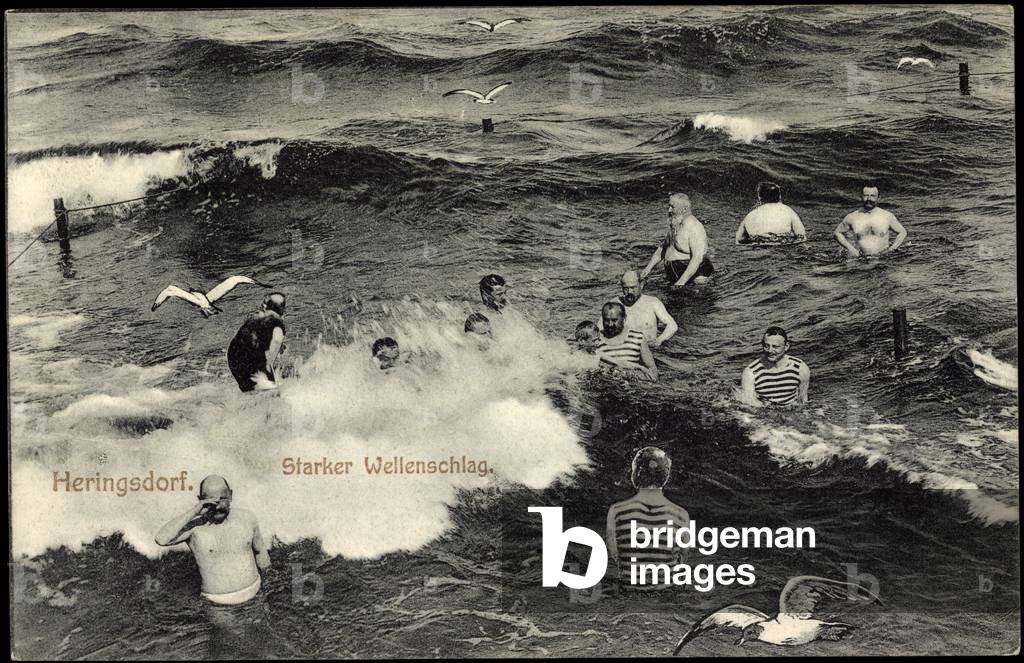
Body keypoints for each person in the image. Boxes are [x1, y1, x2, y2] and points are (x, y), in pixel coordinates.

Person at [154, 475, 270, 605]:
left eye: (222, 499)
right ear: (200, 501)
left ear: (231, 495)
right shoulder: (194, 528)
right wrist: (195, 511)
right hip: (218, 605)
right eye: (211, 501)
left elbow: (260, 551)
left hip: (255, 595)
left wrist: (269, 585)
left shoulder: (247, 518)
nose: (218, 507)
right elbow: (161, 539)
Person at [605, 447, 689, 590]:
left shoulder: (616, 511)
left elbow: (616, 556)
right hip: (666, 593)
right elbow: (682, 559)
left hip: (629, 592)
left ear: (635, 475)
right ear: (666, 476)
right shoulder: (681, 515)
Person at [640, 193, 714, 288]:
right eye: (669, 206)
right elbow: (664, 247)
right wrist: (648, 268)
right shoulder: (676, 224)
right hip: (677, 276)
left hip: (696, 276)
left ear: (684, 209)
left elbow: (697, 259)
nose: (669, 210)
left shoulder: (694, 227)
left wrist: (680, 282)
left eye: (672, 207)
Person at [227, 293, 286, 392]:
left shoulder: (254, 317)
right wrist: (268, 369)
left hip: (233, 357)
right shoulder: (278, 322)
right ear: (282, 310)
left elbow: (246, 338)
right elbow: (275, 341)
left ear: (265, 306)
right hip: (252, 358)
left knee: (249, 387)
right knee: (271, 390)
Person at [739, 326, 810, 408]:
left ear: (786, 346)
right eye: (766, 346)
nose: (770, 350)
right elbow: (749, 407)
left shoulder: (800, 368)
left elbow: (803, 403)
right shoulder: (751, 372)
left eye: (775, 346)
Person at [833, 186, 908, 258]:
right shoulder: (852, 217)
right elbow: (837, 233)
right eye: (866, 195)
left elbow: (902, 232)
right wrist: (851, 248)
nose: (869, 199)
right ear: (861, 197)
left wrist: (892, 249)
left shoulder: (887, 216)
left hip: (884, 259)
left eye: (872, 196)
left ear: (878, 198)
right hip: (861, 260)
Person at [596, 302, 658, 381]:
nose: (610, 324)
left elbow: (653, 374)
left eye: (614, 320)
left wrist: (624, 374)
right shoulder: (595, 340)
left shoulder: (638, 338)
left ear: (624, 318)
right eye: (606, 320)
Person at [617, 270, 678, 348]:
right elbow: (599, 330)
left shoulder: (653, 303)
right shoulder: (616, 304)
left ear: (641, 285)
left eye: (633, 287)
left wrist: (658, 341)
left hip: (651, 349)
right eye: (625, 288)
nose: (629, 292)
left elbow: (672, 325)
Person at [735, 182, 807, 243]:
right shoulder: (788, 211)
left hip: (758, 245)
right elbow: (801, 236)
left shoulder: (750, 215)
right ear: (779, 196)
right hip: (782, 243)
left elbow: (739, 239)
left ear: (760, 197)